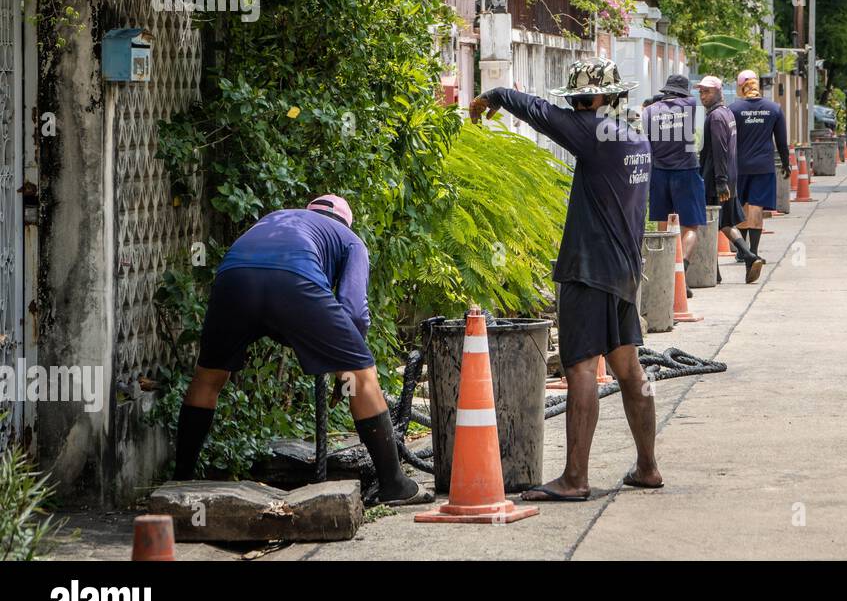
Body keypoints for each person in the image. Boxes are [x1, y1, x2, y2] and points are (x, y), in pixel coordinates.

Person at [470, 57, 662, 501]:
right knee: (629, 370)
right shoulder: (634, 135)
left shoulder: (596, 132)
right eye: (575, 103)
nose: (577, 109)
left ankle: (575, 479)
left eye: (583, 101)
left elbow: (539, 112)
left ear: (604, 99)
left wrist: (494, 95)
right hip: (623, 272)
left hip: (589, 270)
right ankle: (648, 467)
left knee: (579, 368)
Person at [172, 195, 430, 504]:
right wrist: (344, 367)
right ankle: (394, 484)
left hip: (233, 278)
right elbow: (356, 312)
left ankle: (180, 479)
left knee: (208, 377)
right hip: (294, 278)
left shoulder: (278, 217)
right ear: (345, 224)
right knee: (362, 376)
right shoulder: (351, 241)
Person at [697, 75, 764, 283]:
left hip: (717, 180)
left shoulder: (716, 117)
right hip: (728, 178)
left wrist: (720, 181)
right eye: (701, 92)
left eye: (707, 92)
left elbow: (720, 149)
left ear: (718, 92)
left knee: (707, 223)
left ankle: (713, 271)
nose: (703, 96)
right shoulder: (727, 114)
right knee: (725, 222)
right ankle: (748, 257)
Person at [641, 74, 705, 290]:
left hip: (659, 173)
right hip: (686, 171)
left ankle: (665, 274)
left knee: (663, 226)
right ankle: (681, 274)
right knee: (692, 226)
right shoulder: (690, 104)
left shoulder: (649, 111)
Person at [729, 69, 790, 260]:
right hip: (763, 166)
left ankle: (742, 251)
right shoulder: (773, 109)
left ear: (741, 87)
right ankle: (753, 251)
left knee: (740, 206)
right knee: (756, 207)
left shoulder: (733, 110)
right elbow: (781, 141)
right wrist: (786, 164)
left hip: (739, 166)